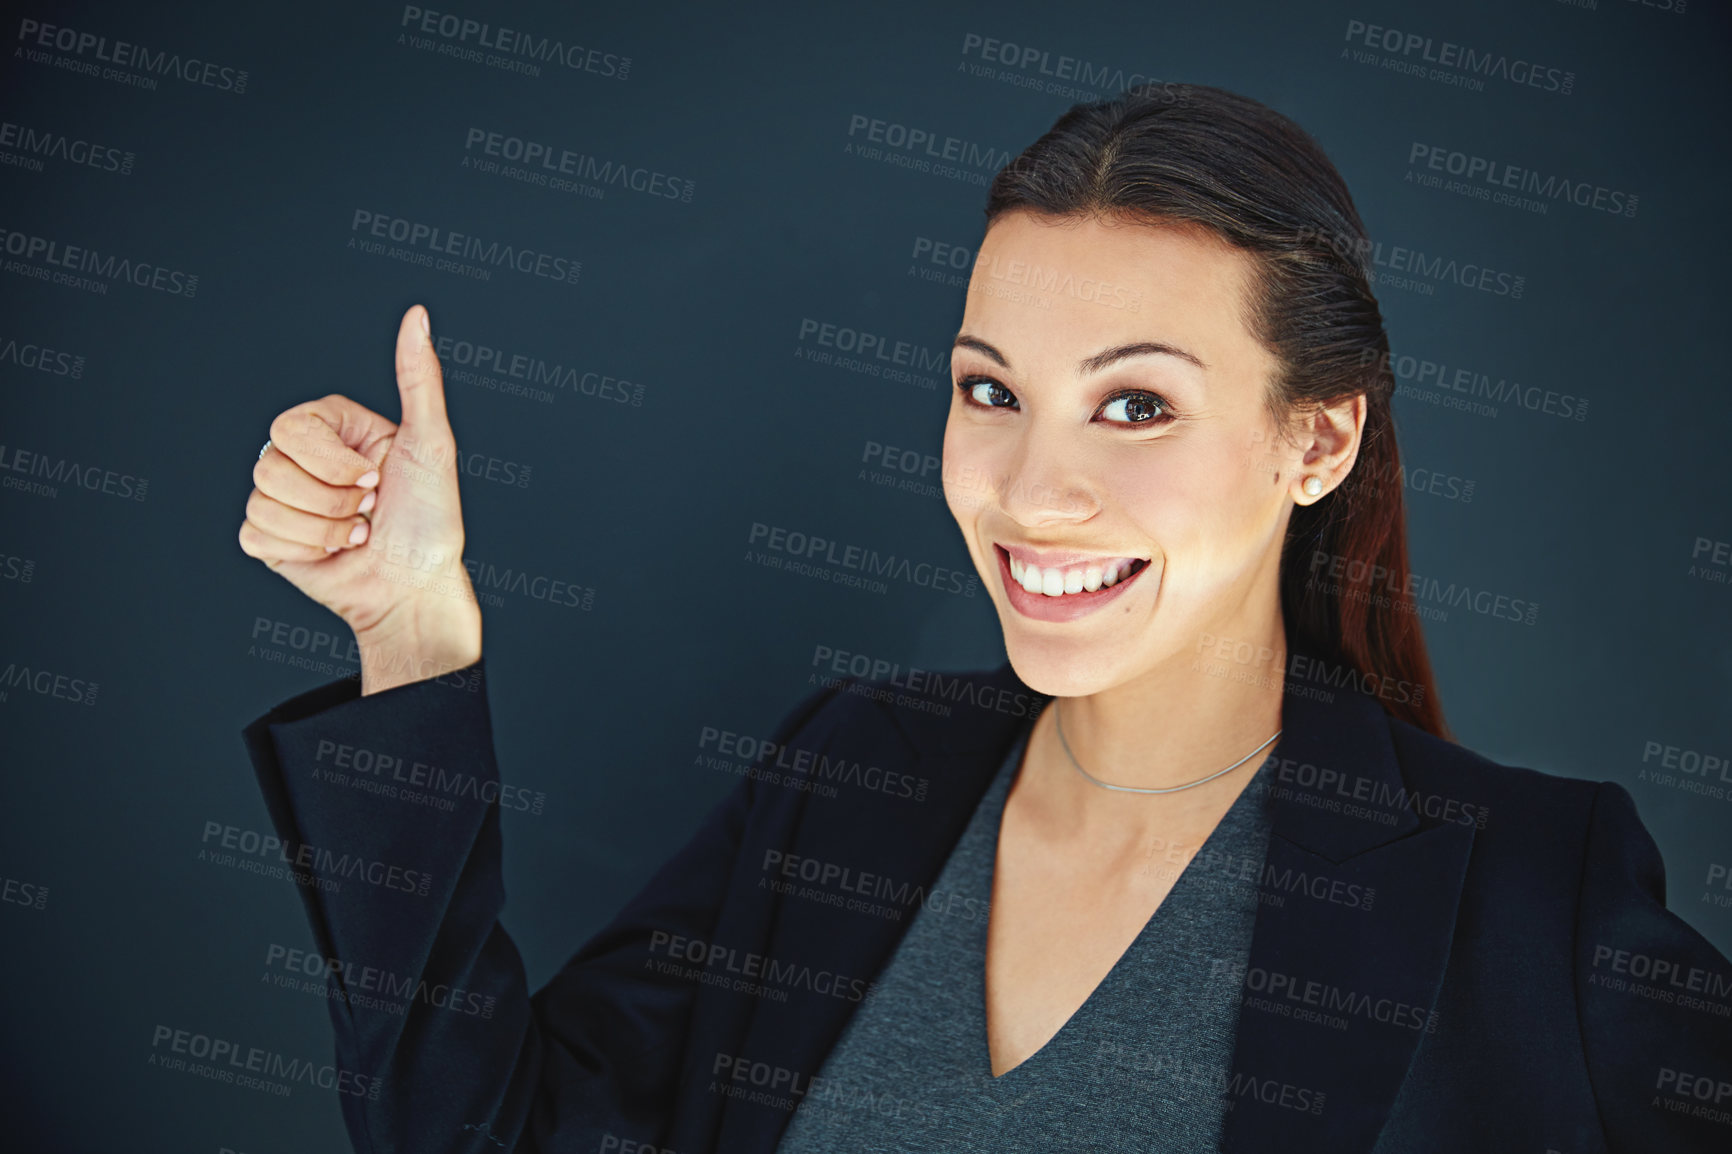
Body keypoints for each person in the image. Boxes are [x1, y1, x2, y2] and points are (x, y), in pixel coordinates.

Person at [237, 84, 1731, 1153]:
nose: (1034, 488)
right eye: (990, 390)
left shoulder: (1532, 890)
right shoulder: (853, 779)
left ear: (1317, 442)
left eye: (1135, 403)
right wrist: (413, 632)